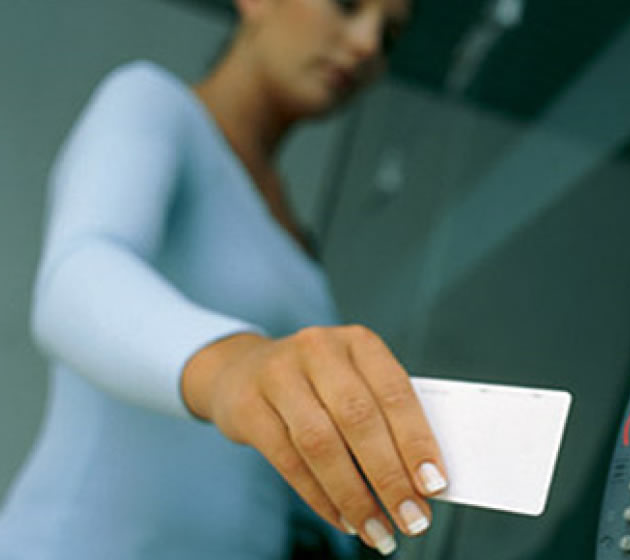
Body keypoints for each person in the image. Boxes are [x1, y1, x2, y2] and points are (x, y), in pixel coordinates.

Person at [0, 0, 448, 557]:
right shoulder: (152, 104)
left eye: (390, 36)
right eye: (347, 5)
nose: (366, 45)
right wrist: (237, 365)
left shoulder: (300, 249)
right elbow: (78, 275)